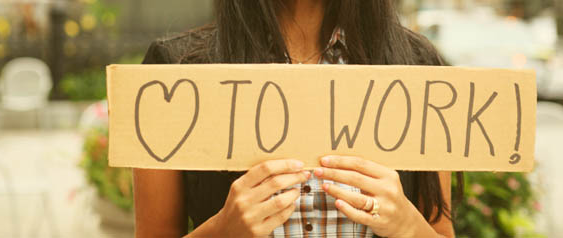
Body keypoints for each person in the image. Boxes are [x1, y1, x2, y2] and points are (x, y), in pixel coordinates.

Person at [134, 1, 461, 237]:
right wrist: (221, 232)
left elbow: (438, 230)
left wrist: (407, 226)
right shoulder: (175, 72)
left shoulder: (418, 65)